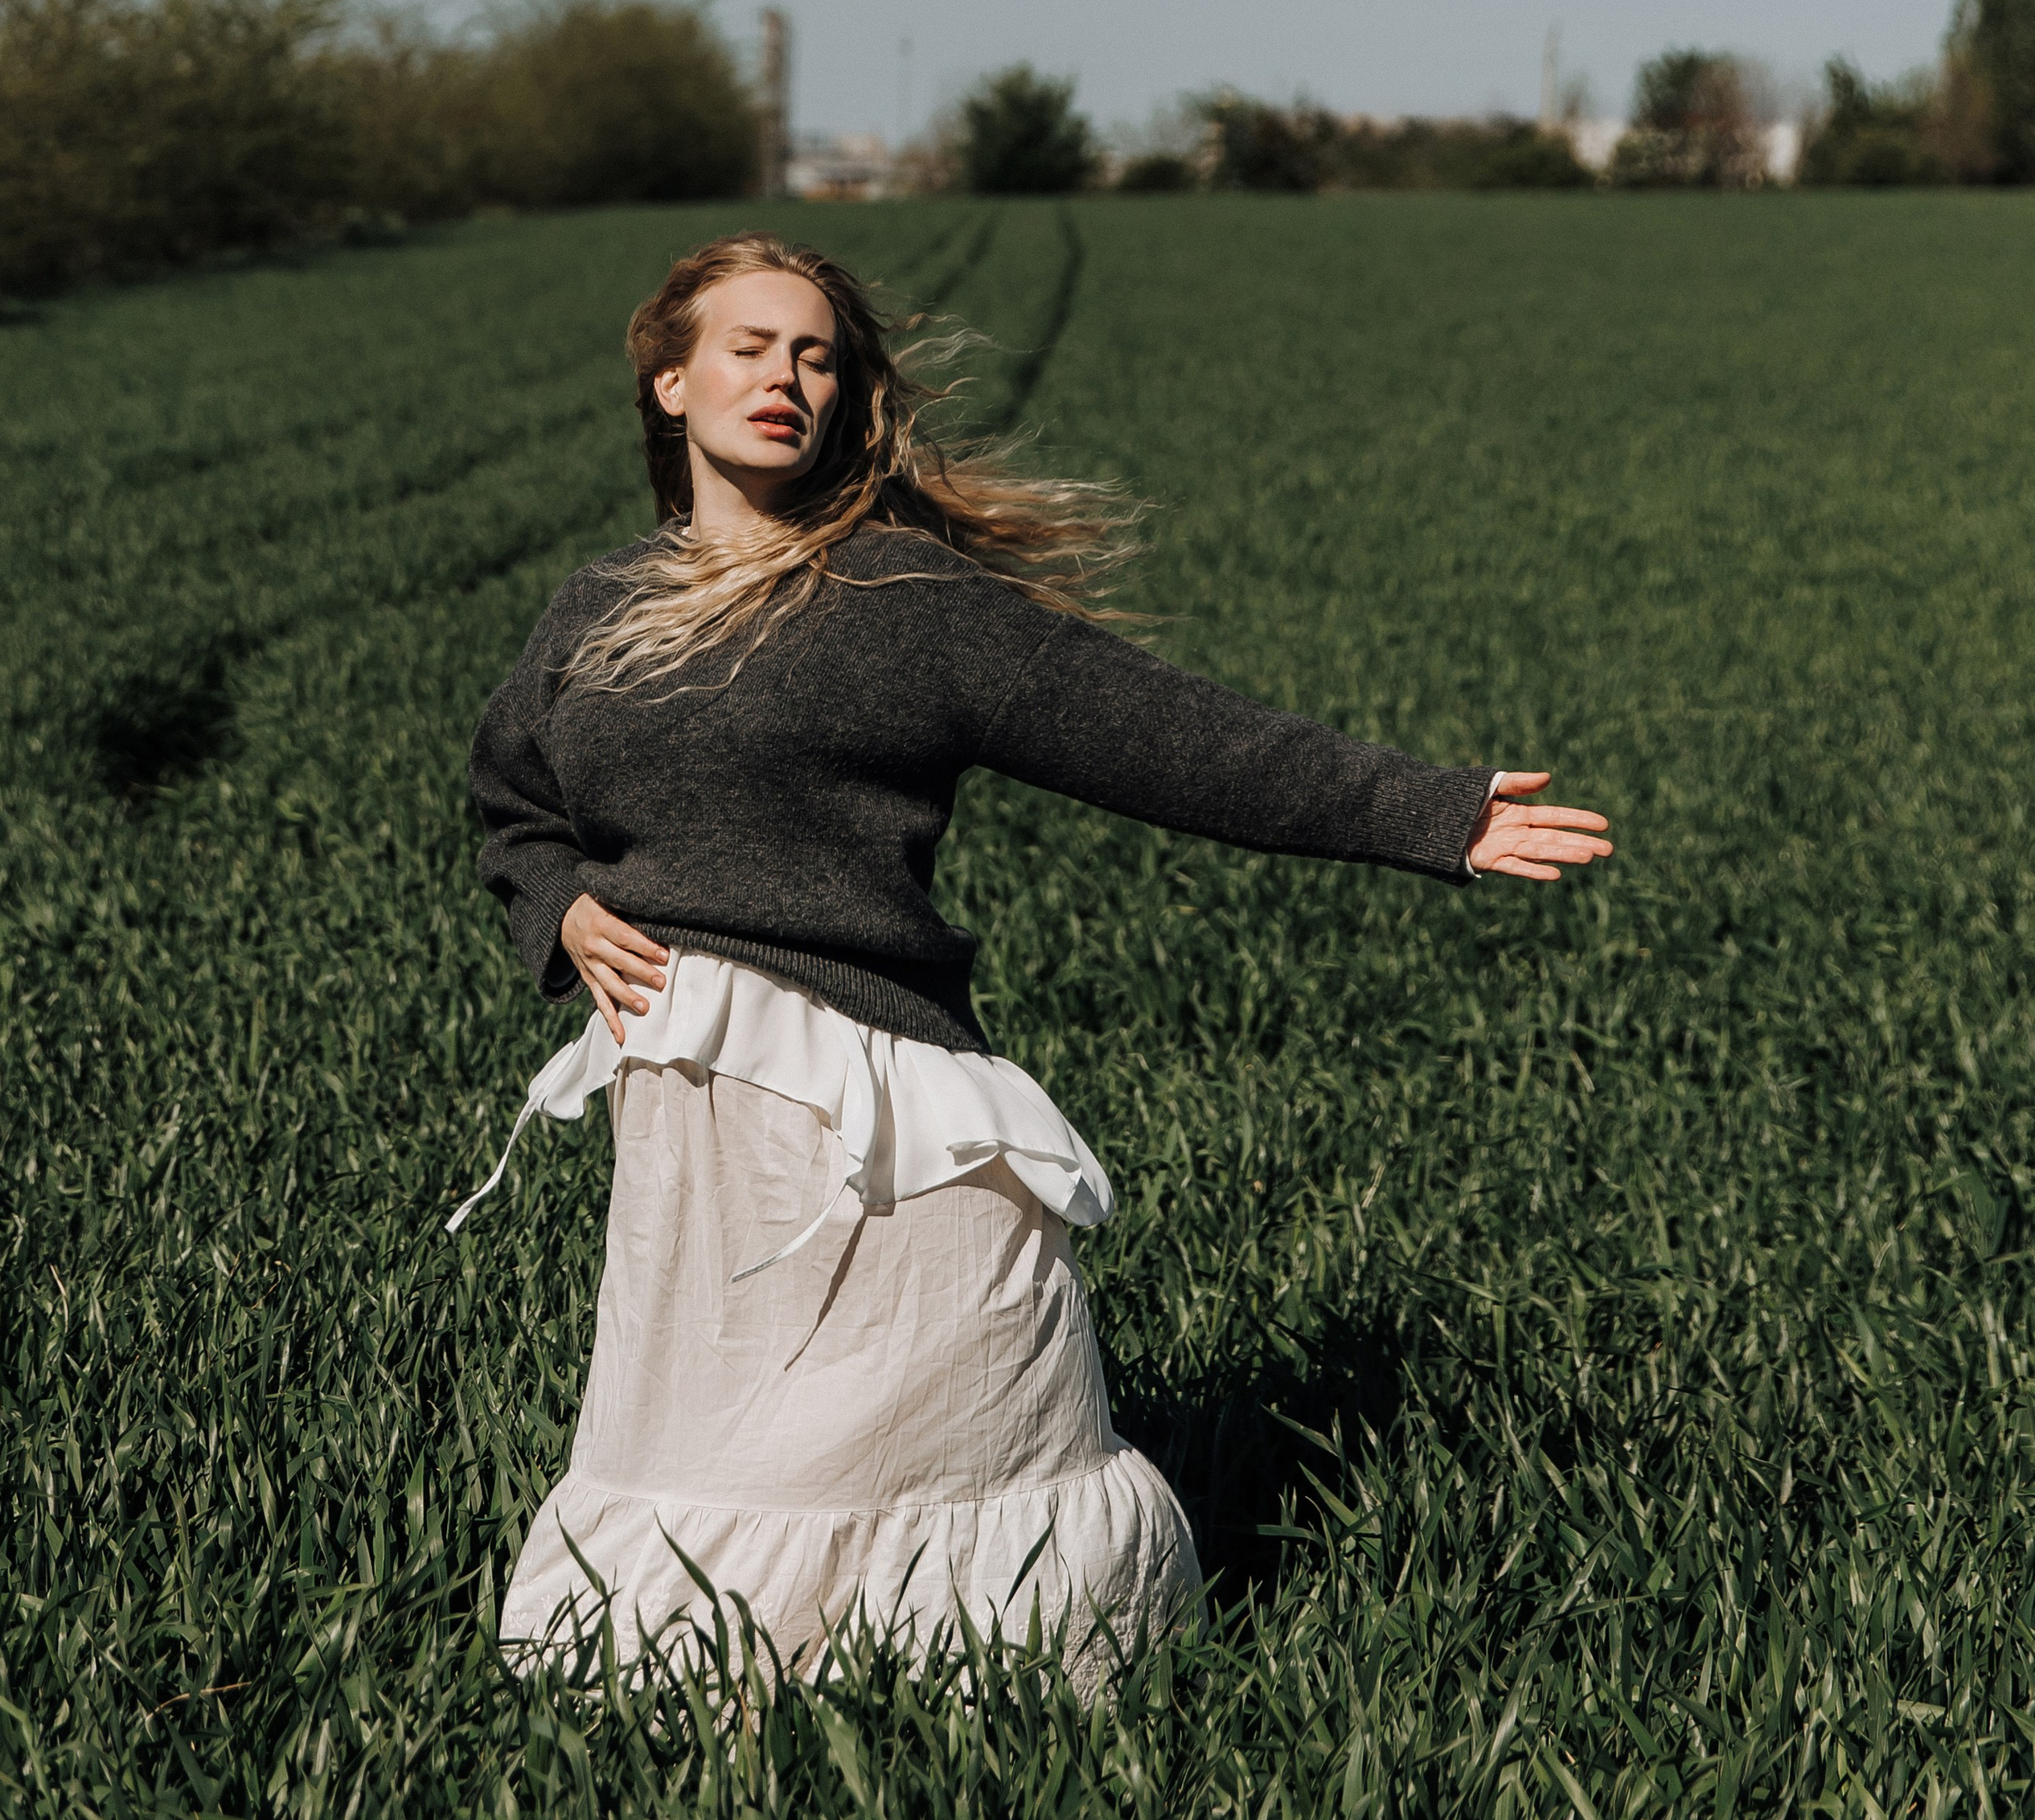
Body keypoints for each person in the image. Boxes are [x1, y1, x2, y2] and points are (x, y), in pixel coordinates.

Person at [462, 232, 1610, 1682]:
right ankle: (722, 1735)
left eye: (817, 355)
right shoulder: (600, 609)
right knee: (717, 1433)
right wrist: (558, 906)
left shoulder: (902, 602)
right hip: (695, 1101)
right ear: (672, 380)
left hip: (893, 1108)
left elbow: (1173, 740)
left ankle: (978, 1720)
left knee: (955, 1427)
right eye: (751, 347)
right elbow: (513, 796)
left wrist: (1432, 817)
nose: (787, 377)